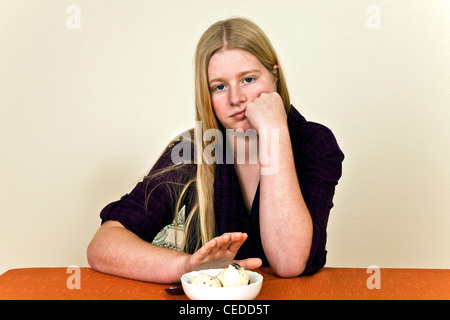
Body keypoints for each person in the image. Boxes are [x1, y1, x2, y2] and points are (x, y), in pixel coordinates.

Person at [87, 17, 344, 284]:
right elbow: (103, 246)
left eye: (248, 79)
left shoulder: (314, 143)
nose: (236, 99)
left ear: (274, 77)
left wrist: (273, 133)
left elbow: (289, 262)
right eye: (219, 87)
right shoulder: (195, 150)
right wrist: (186, 266)